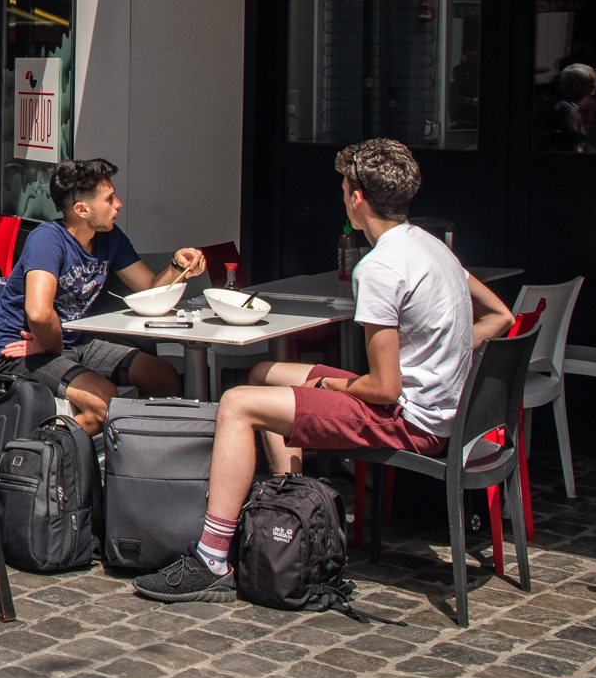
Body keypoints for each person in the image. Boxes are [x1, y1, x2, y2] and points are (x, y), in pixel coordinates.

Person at [135, 139, 475, 604]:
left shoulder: (380, 267)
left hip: (408, 418)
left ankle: (212, 558)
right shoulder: (431, 247)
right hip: (436, 408)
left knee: (236, 404)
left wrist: (332, 384)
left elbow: (383, 388)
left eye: (343, 188)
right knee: (263, 374)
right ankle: (286, 512)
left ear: (357, 198)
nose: (341, 196)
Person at [0, 158, 205, 434]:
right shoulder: (47, 240)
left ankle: (135, 453)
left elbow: (149, 287)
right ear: (82, 209)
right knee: (103, 401)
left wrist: (178, 265)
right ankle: (37, 457)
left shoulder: (109, 237)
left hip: (71, 343)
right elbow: (38, 313)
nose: (119, 204)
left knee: (165, 378)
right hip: (21, 350)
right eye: (110, 199)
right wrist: (53, 347)